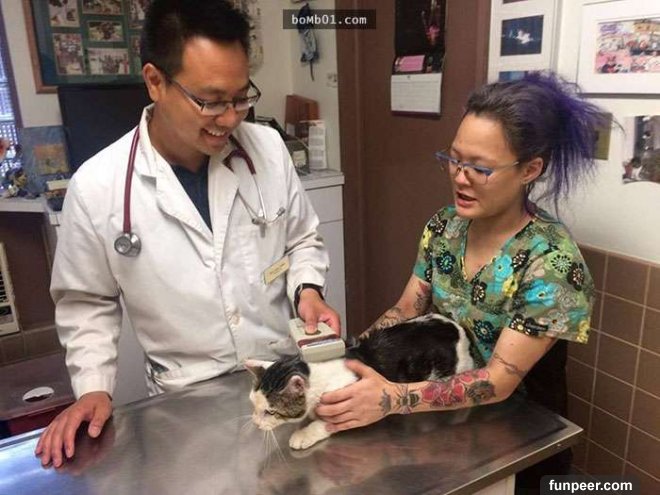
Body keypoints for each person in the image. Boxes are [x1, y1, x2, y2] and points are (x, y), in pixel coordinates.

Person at [36, 0, 339, 468]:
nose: (231, 118)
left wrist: (309, 291)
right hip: (186, 405)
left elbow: (301, 239)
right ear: (155, 81)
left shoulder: (268, 150)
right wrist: (93, 387)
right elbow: (87, 302)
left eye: (241, 97)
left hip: (281, 387)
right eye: (211, 101)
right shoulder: (98, 187)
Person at [316, 72, 604, 493]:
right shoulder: (445, 227)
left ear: (530, 170)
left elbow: (499, 380)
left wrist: (392, 399)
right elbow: (406, 309)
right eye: (453, 159)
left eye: (480, 168)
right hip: (446, 421)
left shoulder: (551, 263)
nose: (460, 176)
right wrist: (351, 359)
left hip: (520, 434)